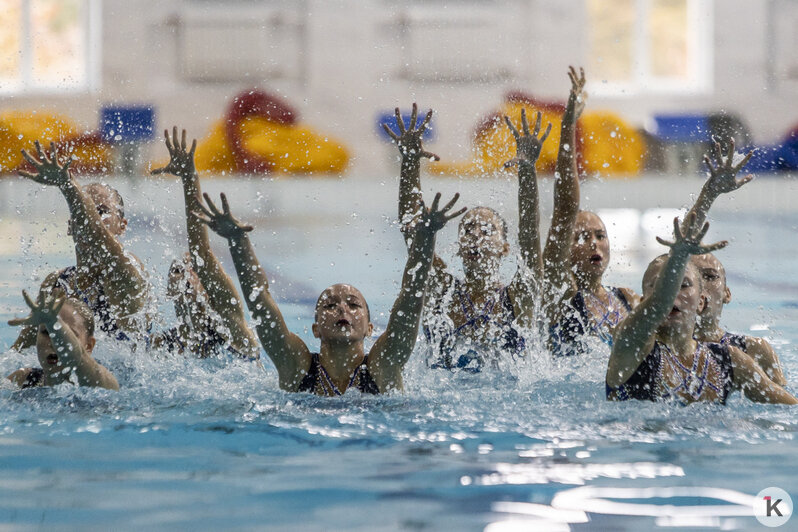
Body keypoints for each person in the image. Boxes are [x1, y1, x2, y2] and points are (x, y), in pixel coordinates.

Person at [383, 68, 584, 370]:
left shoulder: (520, 296)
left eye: (487, 229)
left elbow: (530, 235)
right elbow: (413, 232)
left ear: (505, 247)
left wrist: (527, 170)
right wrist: (410, 162)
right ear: (459, 246)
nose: (476, 234)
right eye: (468, 229)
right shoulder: (442, 291)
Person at [193, 190, 465, 394]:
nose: (343, 309)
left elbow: (410, 298)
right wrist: (238, 241)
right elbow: (261, 302)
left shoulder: (383, 366)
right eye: (330, 305)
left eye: (353, 304)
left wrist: (427, 237)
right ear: (315, 330)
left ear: (370, 328)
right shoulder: (296, 366)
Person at [549, 136, 753, 358]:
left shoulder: (625, 298)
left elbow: (672, 271)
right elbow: (564, 209)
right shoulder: (557, 292)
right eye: (582, 238)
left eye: (600, 236)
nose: (594, 244)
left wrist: (709, 195)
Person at [607, 215, 795, 404]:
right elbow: (659, 304)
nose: (671, 295)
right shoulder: (629, 345)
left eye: (684, 285)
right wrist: (679, 256)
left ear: (701, 302)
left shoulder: (730, 360)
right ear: (642, 303)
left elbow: (789, 410)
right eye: (659, 286)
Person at [11, 141, 149, 349]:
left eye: (101, 211)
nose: (89, 218)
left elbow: (96, 235)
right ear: (70, 227)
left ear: (122, 226)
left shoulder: (129, 270)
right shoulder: (57, 283)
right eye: (84, 211)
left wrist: (67, 184)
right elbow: (20, 352)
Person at [150, 128, 260, 359]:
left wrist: (190, 178)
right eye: (179, 271)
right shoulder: (161, 345)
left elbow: (200, 251)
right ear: (169, 288)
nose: (188, 276)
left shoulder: (231, 328)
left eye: (196, 271)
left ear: (210, 284)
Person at [692, 252, 786, 385]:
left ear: (727, 294)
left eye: (710, 276)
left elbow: (784, 403)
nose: (700, 285)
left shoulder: (754, 350)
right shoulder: (656, 345)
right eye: (688, 280)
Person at [7, 290, 119, 390]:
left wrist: (52, 322)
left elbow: (78, 357)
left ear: (88, 346)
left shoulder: (103, 382)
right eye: (46, 332)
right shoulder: (22, 379)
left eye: (68, 334)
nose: (55, 341)